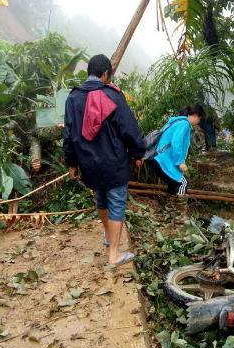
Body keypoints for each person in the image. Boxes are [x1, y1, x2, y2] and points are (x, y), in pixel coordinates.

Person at [63, 54, 146, 265]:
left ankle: (109, 237)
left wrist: (71, 163)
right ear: (106, 73)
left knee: (101, 198)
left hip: (88, 163)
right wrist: (138, 153)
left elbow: (69, 134)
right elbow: (129, 129)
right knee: (117, 203)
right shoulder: (113, 95)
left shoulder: (73, 98)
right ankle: (114, 255)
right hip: (114, 161)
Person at [147, 104, 205, 220]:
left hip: (157, 159)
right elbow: (176, 143)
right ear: (195, 115)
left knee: (173, 184)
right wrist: (180, 162)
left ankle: (168, 212)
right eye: (200, 118)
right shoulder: (184, 124)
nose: (199, 121)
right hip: (163, 160)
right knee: (182, 183)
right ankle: (179, 217)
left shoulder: (177, 122)